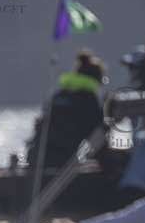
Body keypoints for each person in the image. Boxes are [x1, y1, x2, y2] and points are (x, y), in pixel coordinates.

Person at [29, 48, 107, 176]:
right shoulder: (88, 99)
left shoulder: (59, 95)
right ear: (97, 80)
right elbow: (97, 137)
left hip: (35, 158)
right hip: (59, 163)